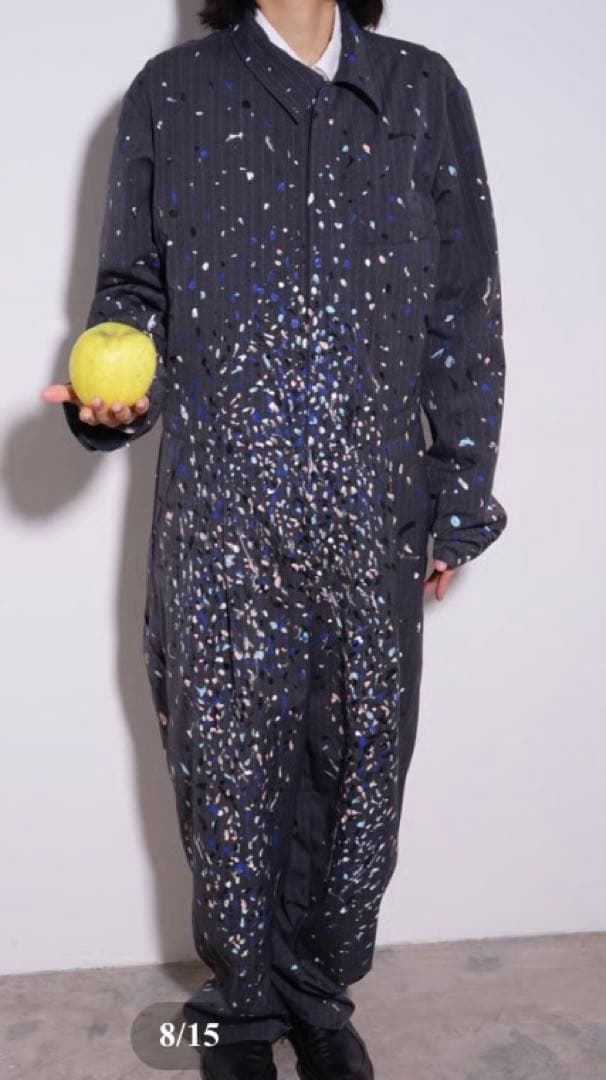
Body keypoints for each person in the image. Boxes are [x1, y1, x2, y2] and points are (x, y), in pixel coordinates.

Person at [42, 1, 508, 1077]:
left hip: (374, 508)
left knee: (360, 766)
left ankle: (319, 996)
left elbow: (465, 308)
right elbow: (131, 294)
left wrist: (459, 495)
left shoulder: (421, 91)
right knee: (226, 768)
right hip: (222, 508)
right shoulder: (172, 95)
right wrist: (110, 399)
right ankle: (243, 1009)